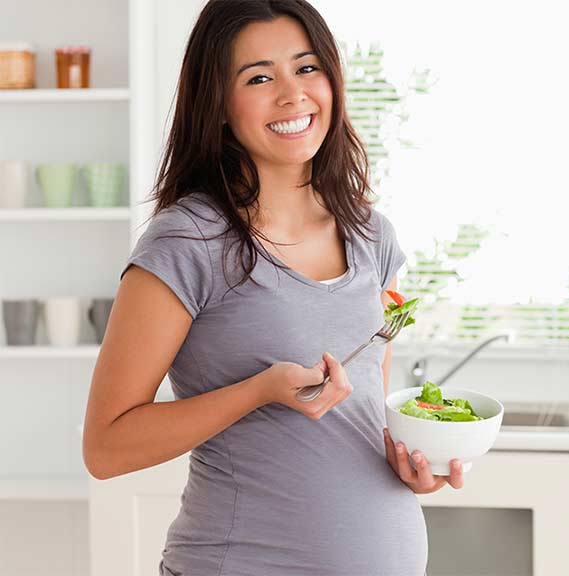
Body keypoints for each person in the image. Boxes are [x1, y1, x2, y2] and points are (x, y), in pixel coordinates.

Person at [81, 1, 464, 574]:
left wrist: (412, 464)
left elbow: (361, 415)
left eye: (306, 68)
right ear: (219, 103)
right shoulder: (189, 241)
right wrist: (258, 390)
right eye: (259, 77)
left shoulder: (370, 235)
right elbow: (105, 448)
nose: (292, 94)